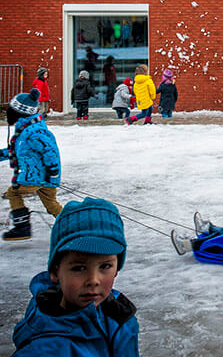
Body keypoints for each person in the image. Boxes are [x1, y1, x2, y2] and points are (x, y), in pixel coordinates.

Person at [10, 197, 137, 356]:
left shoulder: (118, 313)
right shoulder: (48, 348)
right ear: (55, 272)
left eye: (105, 266)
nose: (93, 280)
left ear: (117, 268)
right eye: (79, 268)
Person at [2, 89, 62, 241]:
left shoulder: (34, 131)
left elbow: (50, 151)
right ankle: (72, 224)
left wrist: (52, 171)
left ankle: (22, 227)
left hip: (36, 176)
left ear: (20, 112)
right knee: (52, 205)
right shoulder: (26, 129)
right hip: (43, 177)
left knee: (13, 193)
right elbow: (15, 150)